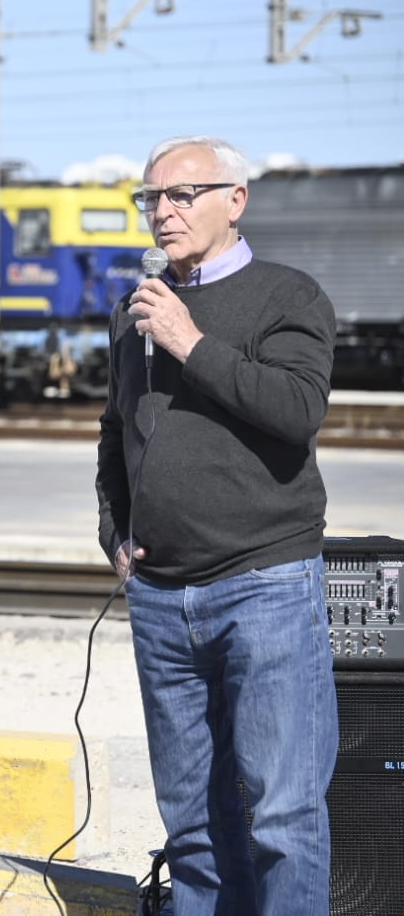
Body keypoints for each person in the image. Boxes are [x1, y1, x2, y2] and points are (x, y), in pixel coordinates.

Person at [94, 135, 338, 914]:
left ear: (234, 200)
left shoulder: (286, 296)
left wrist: (188, 342)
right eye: (150, 198)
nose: (161, 213)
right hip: (161, 597)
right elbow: (115, 428)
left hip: (263, 585)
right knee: (193, 823)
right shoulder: (134, 307)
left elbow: (296, 411)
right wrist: (114, 534)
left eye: (180, 195)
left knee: (282, 816)